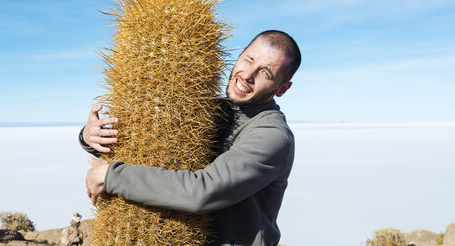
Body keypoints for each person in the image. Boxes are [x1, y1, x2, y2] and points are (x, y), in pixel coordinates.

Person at [81, 30, 301, 246]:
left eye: (266, 73)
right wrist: (91, 136)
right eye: (249, 59)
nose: (247, 75)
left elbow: (203, 191)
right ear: (241, 53)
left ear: (283, 88)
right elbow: (152, 147)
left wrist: (112, 176)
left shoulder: (272, 134)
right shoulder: (212, 109)